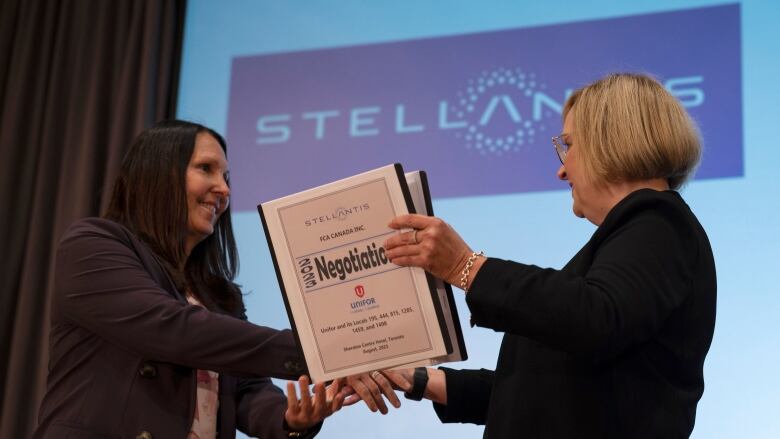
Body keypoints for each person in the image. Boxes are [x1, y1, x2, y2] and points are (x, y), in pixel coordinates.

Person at [354, 73, 717, 438]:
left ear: (612, 140)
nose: (561, 169)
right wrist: (419, 380)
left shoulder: (660, 223)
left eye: (569, 145)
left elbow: (594, 317)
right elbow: (540, 394)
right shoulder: (641, 235)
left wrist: (465, 266)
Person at [34, 120, 345, 439]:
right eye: (206, 169)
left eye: (225, 177)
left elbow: (246, 392)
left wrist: (290, 417)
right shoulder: (91, 244)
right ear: (157, 172)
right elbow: (173, 329)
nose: (224, 189)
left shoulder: (220, 295)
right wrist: (318, 349)